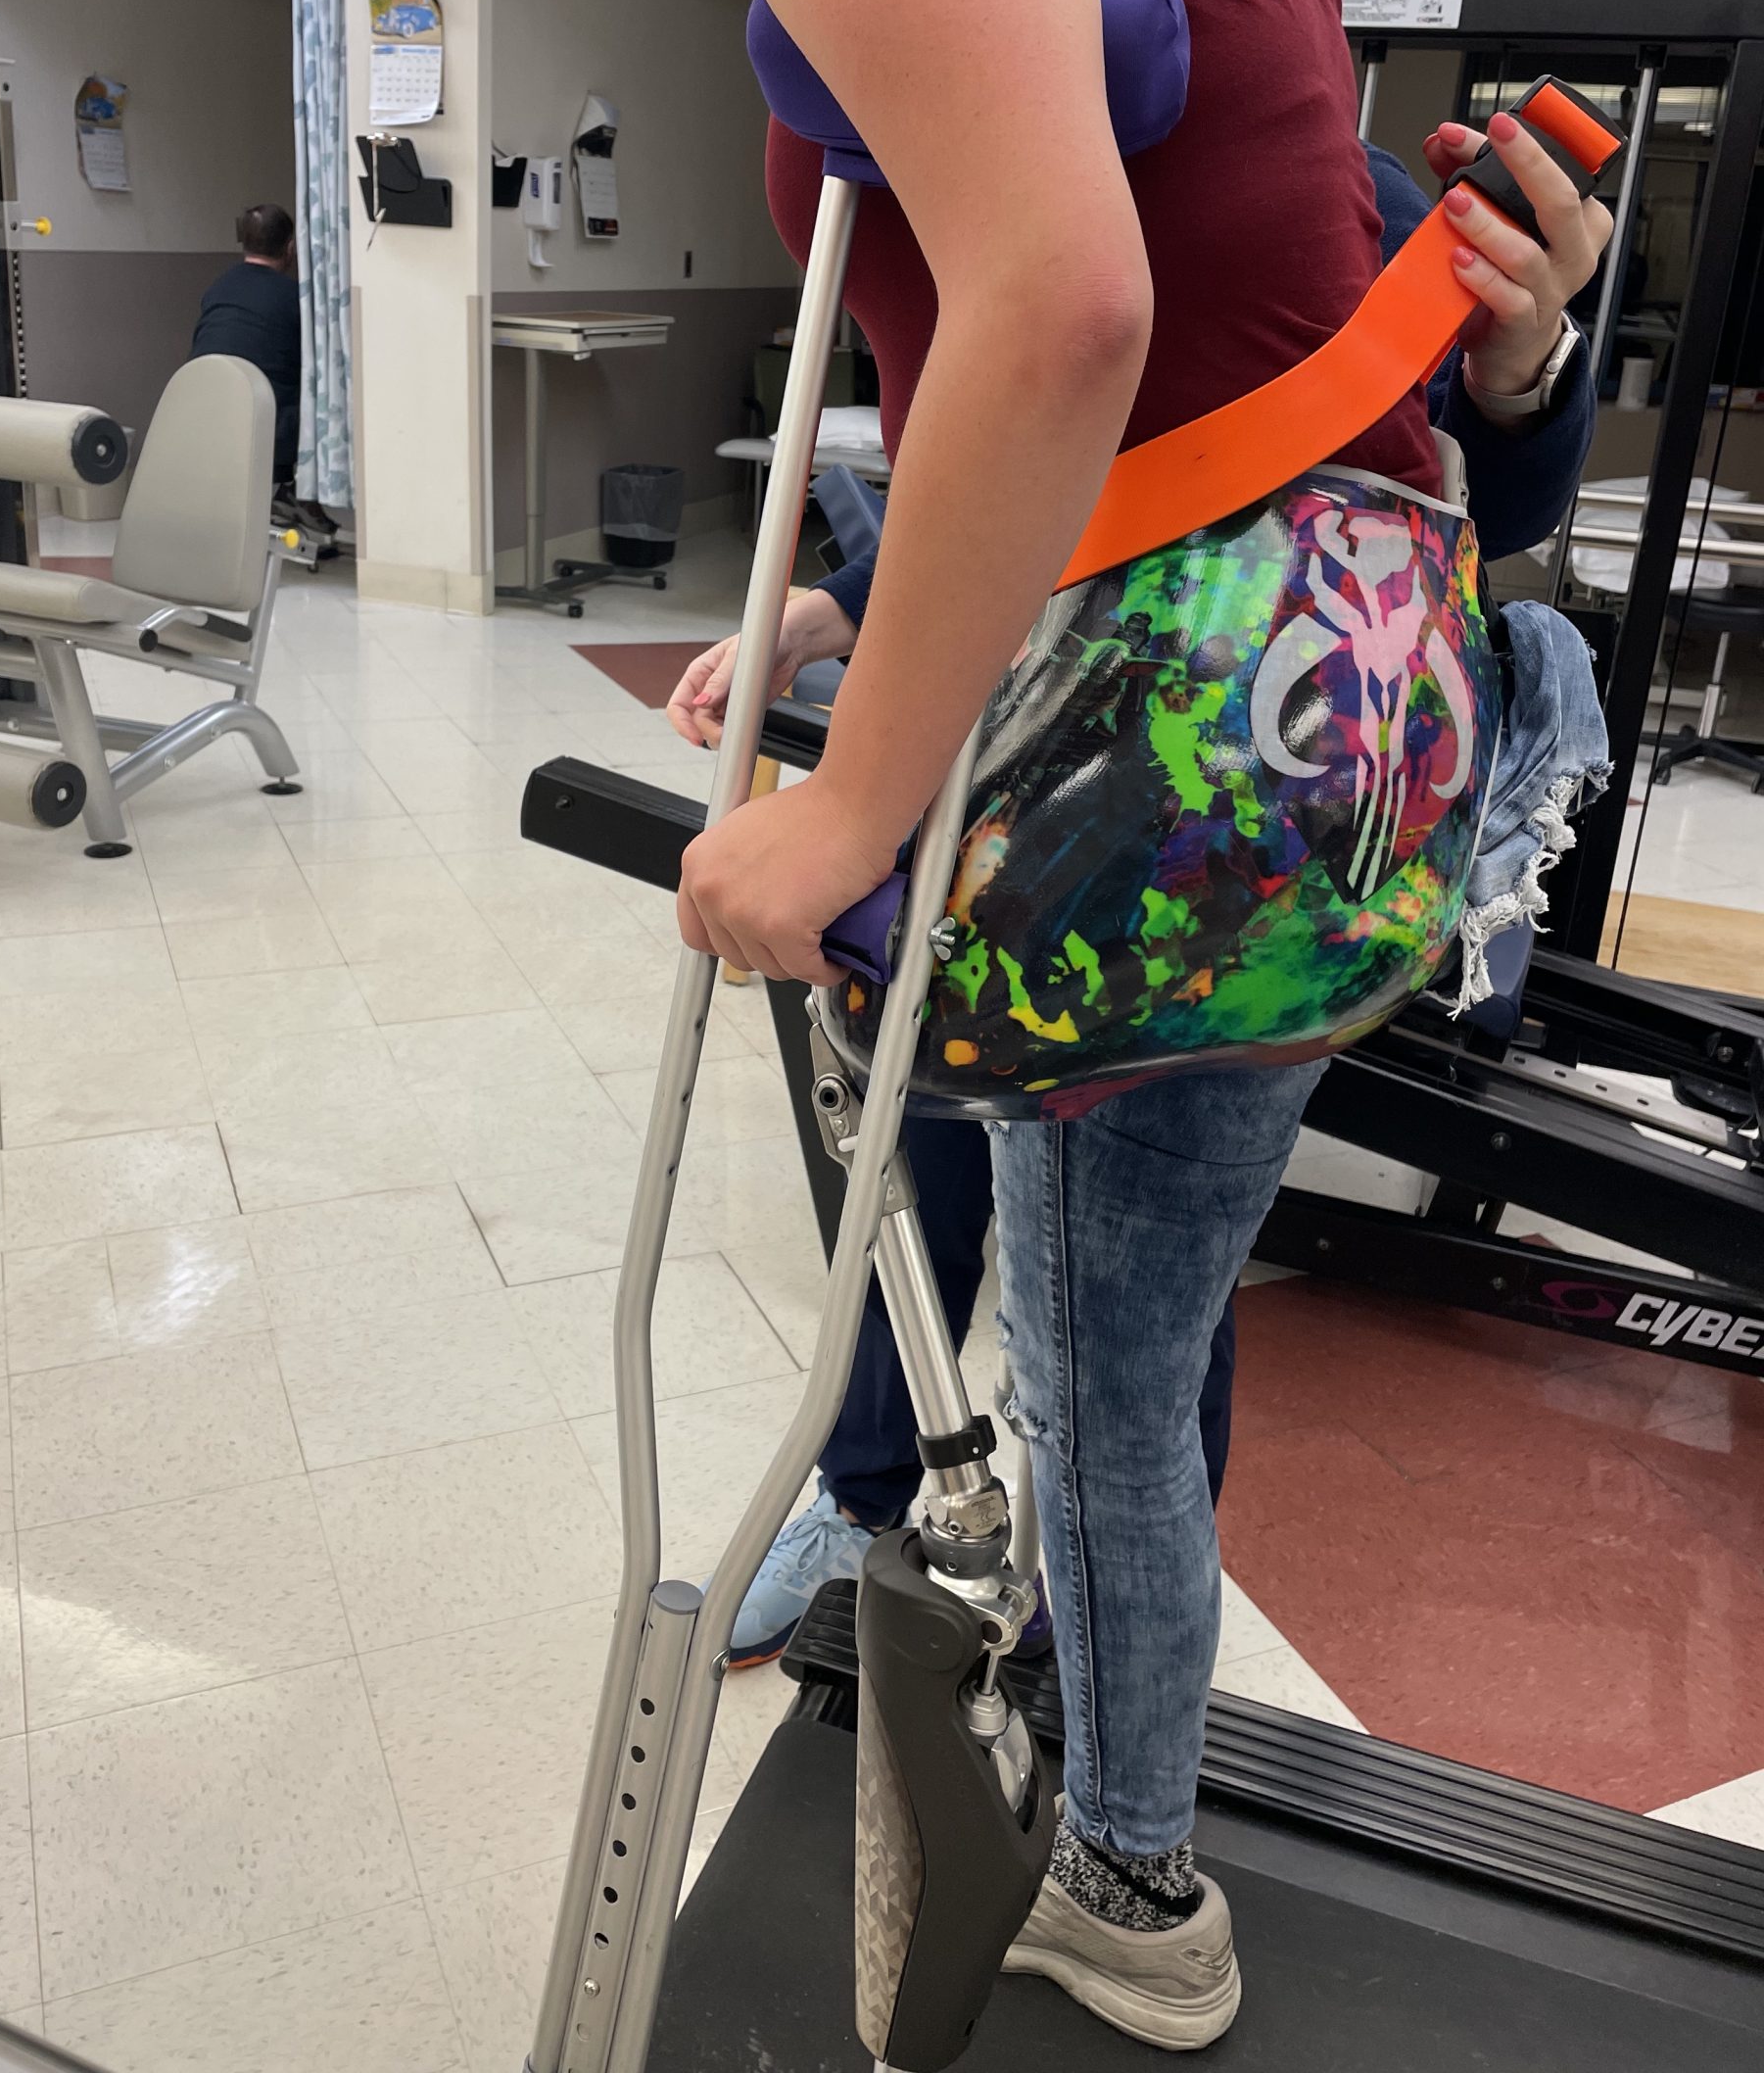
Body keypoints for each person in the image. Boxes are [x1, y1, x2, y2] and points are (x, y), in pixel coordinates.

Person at [589, 0, 1612, 2046]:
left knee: (1098, 1380)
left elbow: (1059, 313)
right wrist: (856, 628)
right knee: (1111, 1356)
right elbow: (1211, 372)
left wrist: (842, 810)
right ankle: (1038, 1691)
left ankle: (1135, 1888)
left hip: (1158, 766)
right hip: (1350, 729)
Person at [680, 133, 1607, 1670]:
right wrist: (837, 608)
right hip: (987, 773)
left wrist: (1521, 364)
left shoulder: (1340, 191)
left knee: (1153, 1256)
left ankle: (1104, 1594)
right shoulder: (986, 143)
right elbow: (988, 458)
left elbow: (1486, 505)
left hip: (1237, 846)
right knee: (914, 1158)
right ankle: (863, 1498)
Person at [190, 202, 333, 545]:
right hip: (267, 429)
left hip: (203, 418)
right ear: (290, 247)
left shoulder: (218, 289)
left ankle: (282, 497)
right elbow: (312, 369)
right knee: (321, 398)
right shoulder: (293, 299)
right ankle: (297, 492)